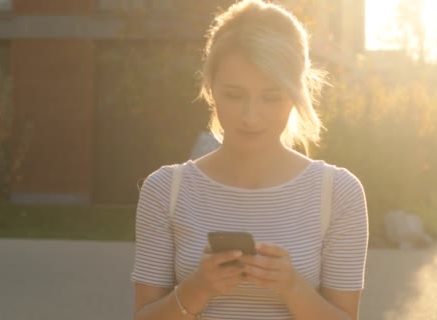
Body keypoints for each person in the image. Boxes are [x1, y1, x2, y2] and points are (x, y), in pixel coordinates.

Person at [131, 1, 369, 319]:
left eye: (271, 97)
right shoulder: (165, 190)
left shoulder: (338, 193)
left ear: (297, 92)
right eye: (234, 94)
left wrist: (293, 288)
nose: (251, 116)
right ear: (210, 88)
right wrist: (198, 287)